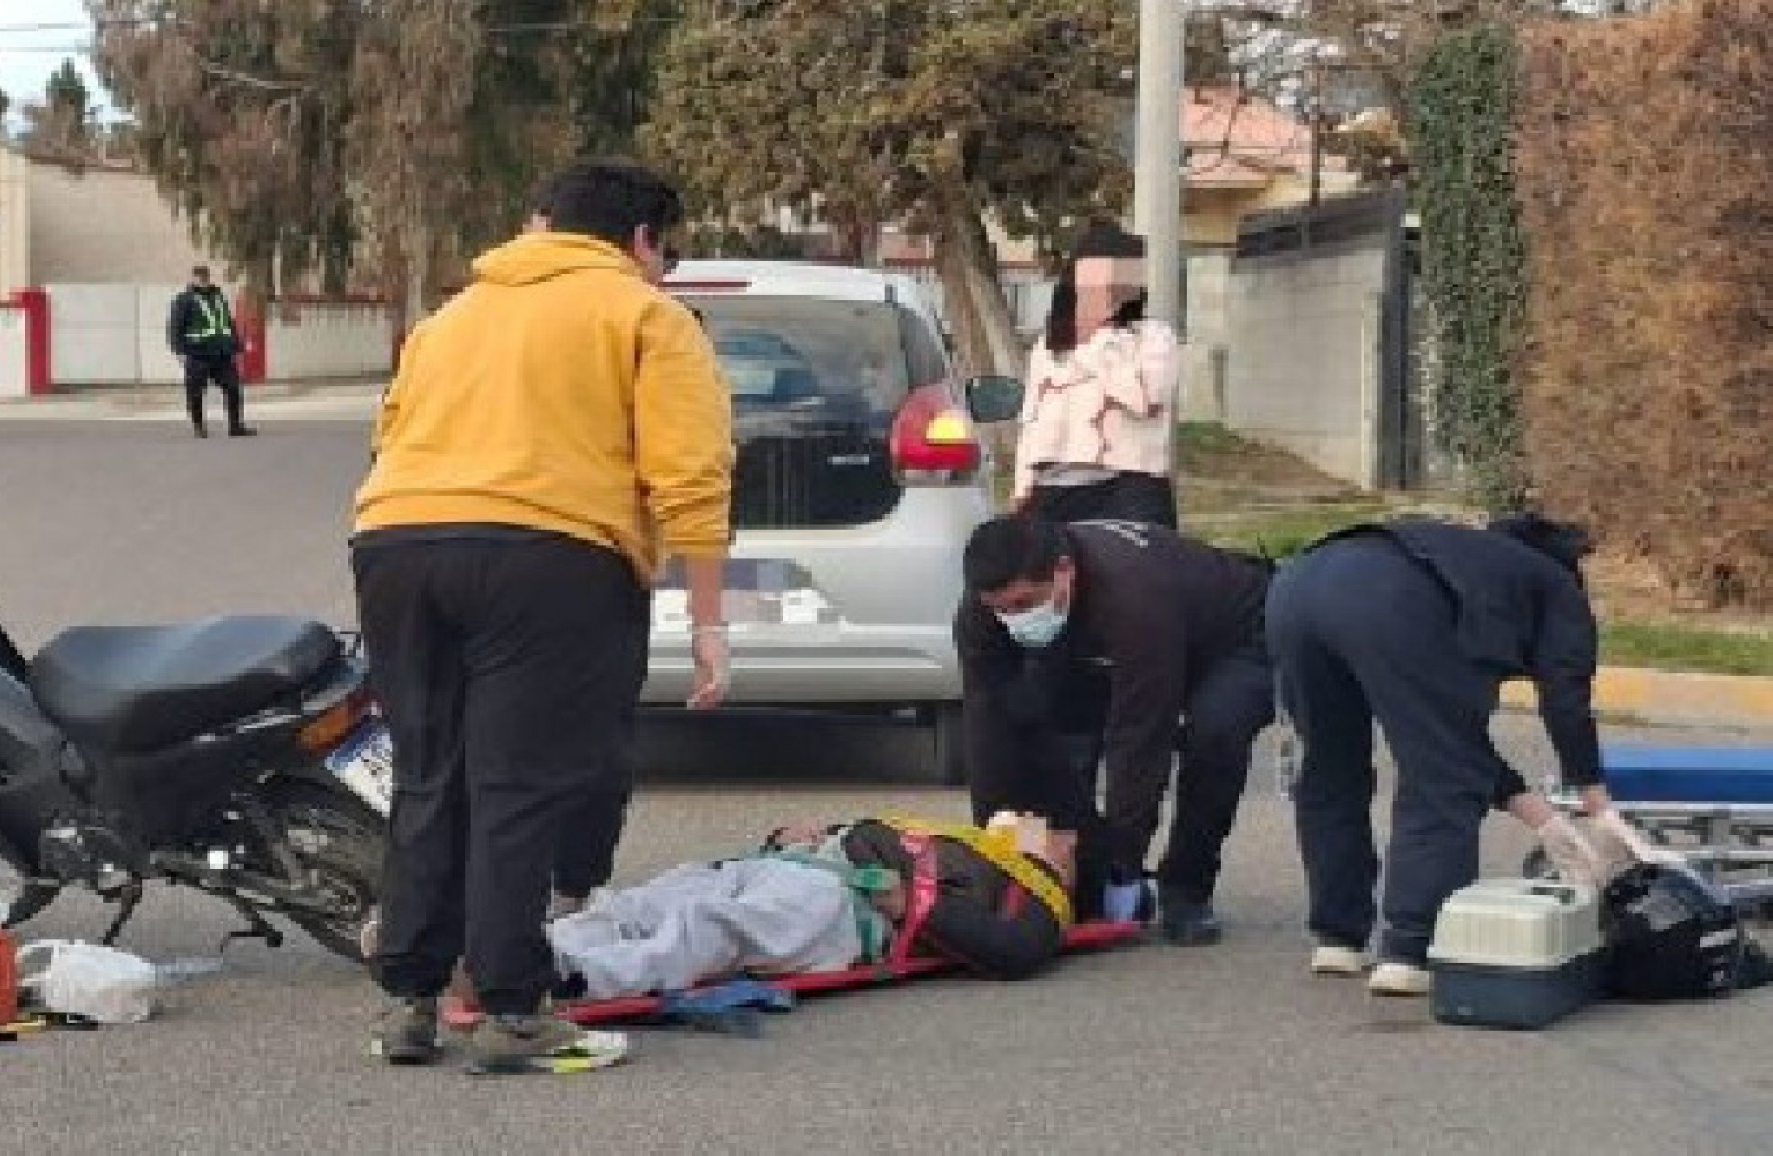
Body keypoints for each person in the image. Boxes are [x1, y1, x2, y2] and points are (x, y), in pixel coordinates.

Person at [351, 159, 735, 1070]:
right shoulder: (645, 314)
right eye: (664, 250)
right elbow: (690, 473)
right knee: (518, 784)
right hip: (550, 554)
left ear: (540, 222)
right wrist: (710, 622)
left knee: (428, 771)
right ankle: (510, 1010)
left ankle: (410, 1000)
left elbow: (389, 431)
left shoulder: (451, 317)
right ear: (643, 241)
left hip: (397, 543)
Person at [1266, 512, 1643, 996]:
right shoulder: (1556, 586)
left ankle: (1337, 938)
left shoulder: (1462, 562)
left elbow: (1456, 739)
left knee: (1330, 766)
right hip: (1388, 600)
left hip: (1297, 586)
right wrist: (1596, 801)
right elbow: (1565, 698)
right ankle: (1410, 949)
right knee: (1439, 784)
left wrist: (1538, 814)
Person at [956, 514, 1275, 945]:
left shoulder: (1133, 598)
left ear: (1063, 571)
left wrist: (1122, 864)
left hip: (1235, 631)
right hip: (1118, 629)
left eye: (1023, 604)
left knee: (1215, 731)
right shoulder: (982, 612)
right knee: (1039, 719)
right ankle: (1074, 873)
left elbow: (1141, 739)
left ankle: (1186, 887)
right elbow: (987, 727)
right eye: (1000, 609)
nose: (1012, 619)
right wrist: (996, 845)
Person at [545, 815, 1073, 1000]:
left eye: (1059, 835)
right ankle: (528, 950)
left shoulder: (1035, 893)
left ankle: (575, 975)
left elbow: (1015, 950)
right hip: (797, 863)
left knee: (715, 927)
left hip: (846, 902)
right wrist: (792, 836)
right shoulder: (976, 844)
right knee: (651, 899)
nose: (1036, 823)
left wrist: (905, 903)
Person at [1010, 224, 1180, 528]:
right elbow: (1032, 421)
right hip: (1053, 490)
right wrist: (1023, 486)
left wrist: (1099, 339)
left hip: (1129, 488)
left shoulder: (1154, 337)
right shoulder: (1049, 345)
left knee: (1136, 574)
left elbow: (1147, 401)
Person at [166, 265, 252, 439]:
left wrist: (236, 347)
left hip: (222, 354)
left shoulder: (218, 297)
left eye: (205, 276)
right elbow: (175, 327)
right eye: (199, 277)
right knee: (196, 392)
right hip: (197, 354)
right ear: (193, 278)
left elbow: (228, 323)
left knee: (233, 388)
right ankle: (199, 426)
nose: (203, 280)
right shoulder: (184, 300)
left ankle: (235, 426)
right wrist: (179, 351)